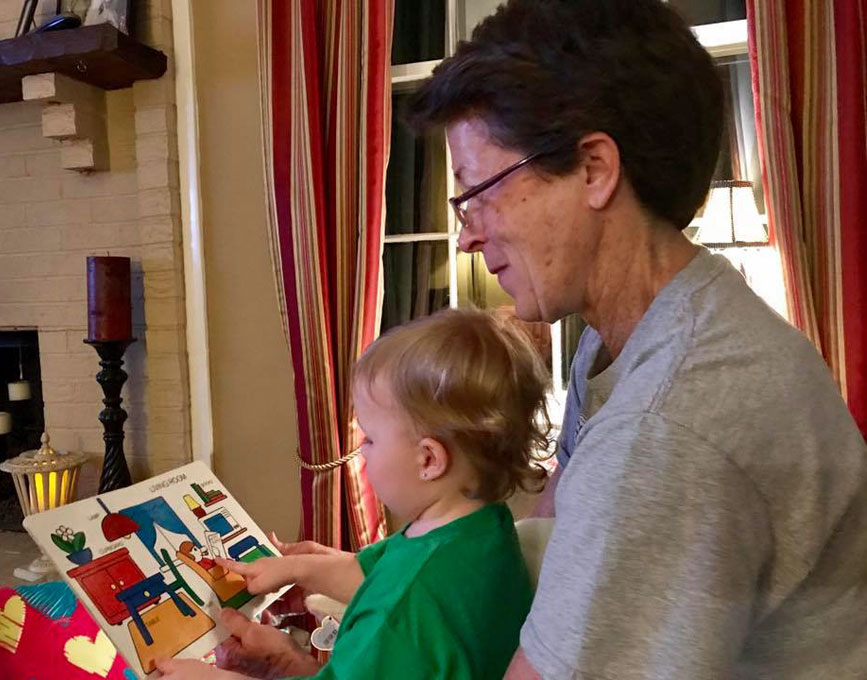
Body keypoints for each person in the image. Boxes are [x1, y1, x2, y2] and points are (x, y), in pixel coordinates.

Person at [400, 0, 867, 678]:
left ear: (594, 169)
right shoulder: (631, 335)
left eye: (480, 192)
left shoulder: (668, 422)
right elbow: (550, 548)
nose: (468, 234)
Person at [158, 309, 552, 679]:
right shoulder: (477, 528)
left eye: (371, 438)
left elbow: (395, 597)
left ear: (429, 459)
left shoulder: (405, 609)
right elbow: (373, 574)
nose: (362, 451)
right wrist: (295, 569)